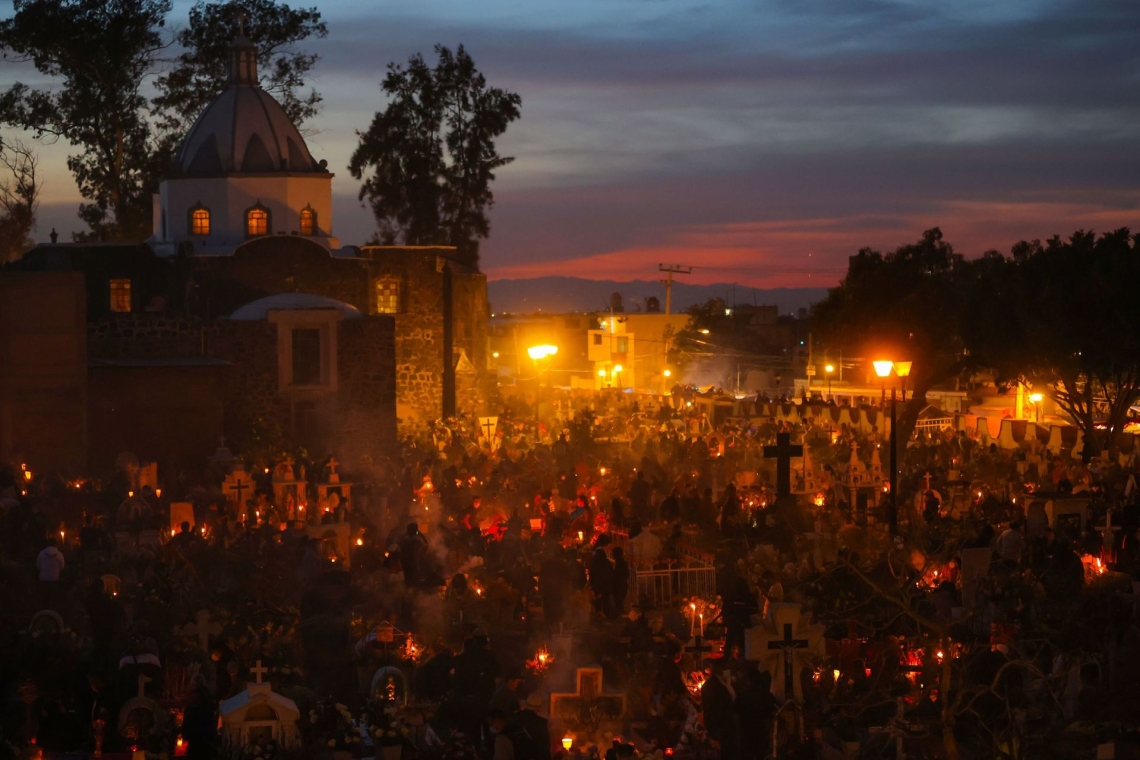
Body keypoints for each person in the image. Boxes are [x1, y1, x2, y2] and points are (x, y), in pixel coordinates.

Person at [611, 546, 630, 616]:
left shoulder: (619, 563)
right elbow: (627, 574)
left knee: (618, 601)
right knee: (620, 601)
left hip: (618, 585)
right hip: (622, 584)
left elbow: (617, 575)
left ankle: (620, 614)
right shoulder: (623, 563)